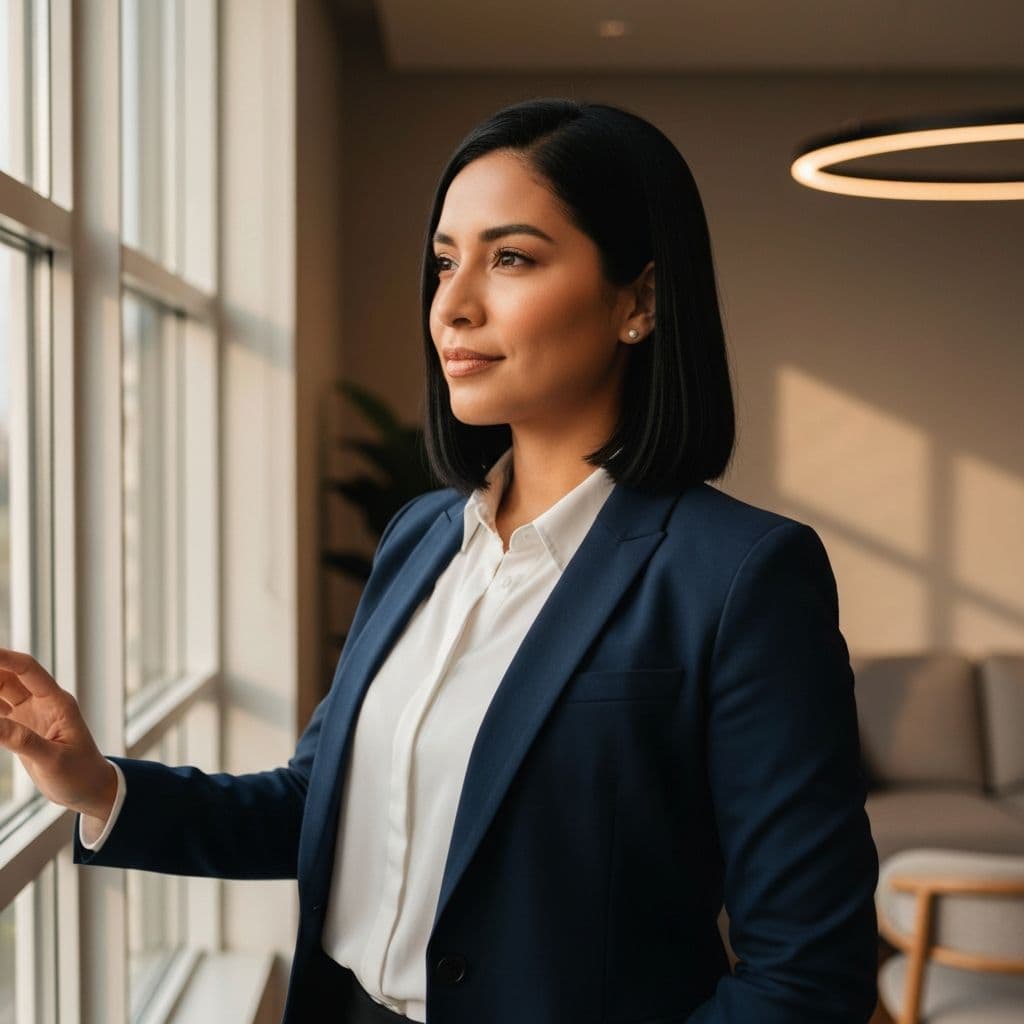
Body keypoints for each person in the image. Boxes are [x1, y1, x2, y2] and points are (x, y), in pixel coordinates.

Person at [0, 97, 880, 1023]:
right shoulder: (424, 536)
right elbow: (323, 807)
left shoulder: (741, 574)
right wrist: (98, 785)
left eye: (512, 258)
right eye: (445, 262)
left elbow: (805, 977)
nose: (454, 307)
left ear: (640, 300)